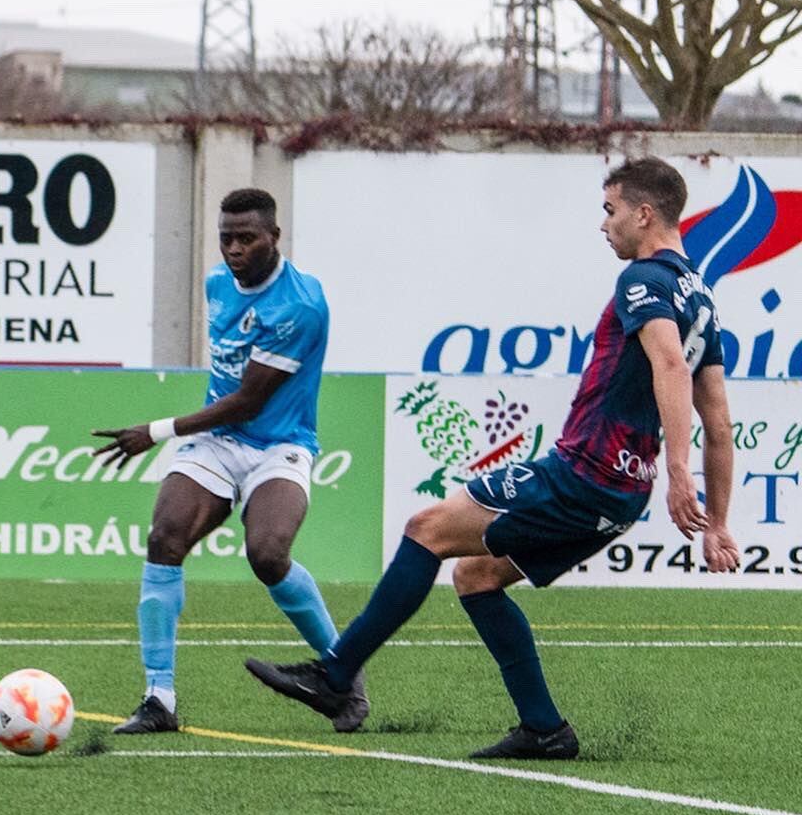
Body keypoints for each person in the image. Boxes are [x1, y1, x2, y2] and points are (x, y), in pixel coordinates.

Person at [246, 156, 740, 759]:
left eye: (610, 210)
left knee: (425, 530)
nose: (603, 224)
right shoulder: (703, 298)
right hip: (621, 494)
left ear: (644, 213)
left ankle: (335, 675)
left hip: (584, 473)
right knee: (476, 575)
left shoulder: (644, 280)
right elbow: (719, 420)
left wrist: (680, 473)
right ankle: (544, 729)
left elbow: (667, 366)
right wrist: (716, 523)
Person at [93, 186, 367, 736]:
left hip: (280, 442)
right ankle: (158, 699)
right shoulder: (217, 284)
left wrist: (155, 431)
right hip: (218, 440)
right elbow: (228, 392)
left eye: (247, 238)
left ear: (275, 238)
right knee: (163, 539)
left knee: (267, 554)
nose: (234, 250)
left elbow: (250, 400)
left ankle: (341, 676)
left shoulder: (300, 305)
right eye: (226, 239)